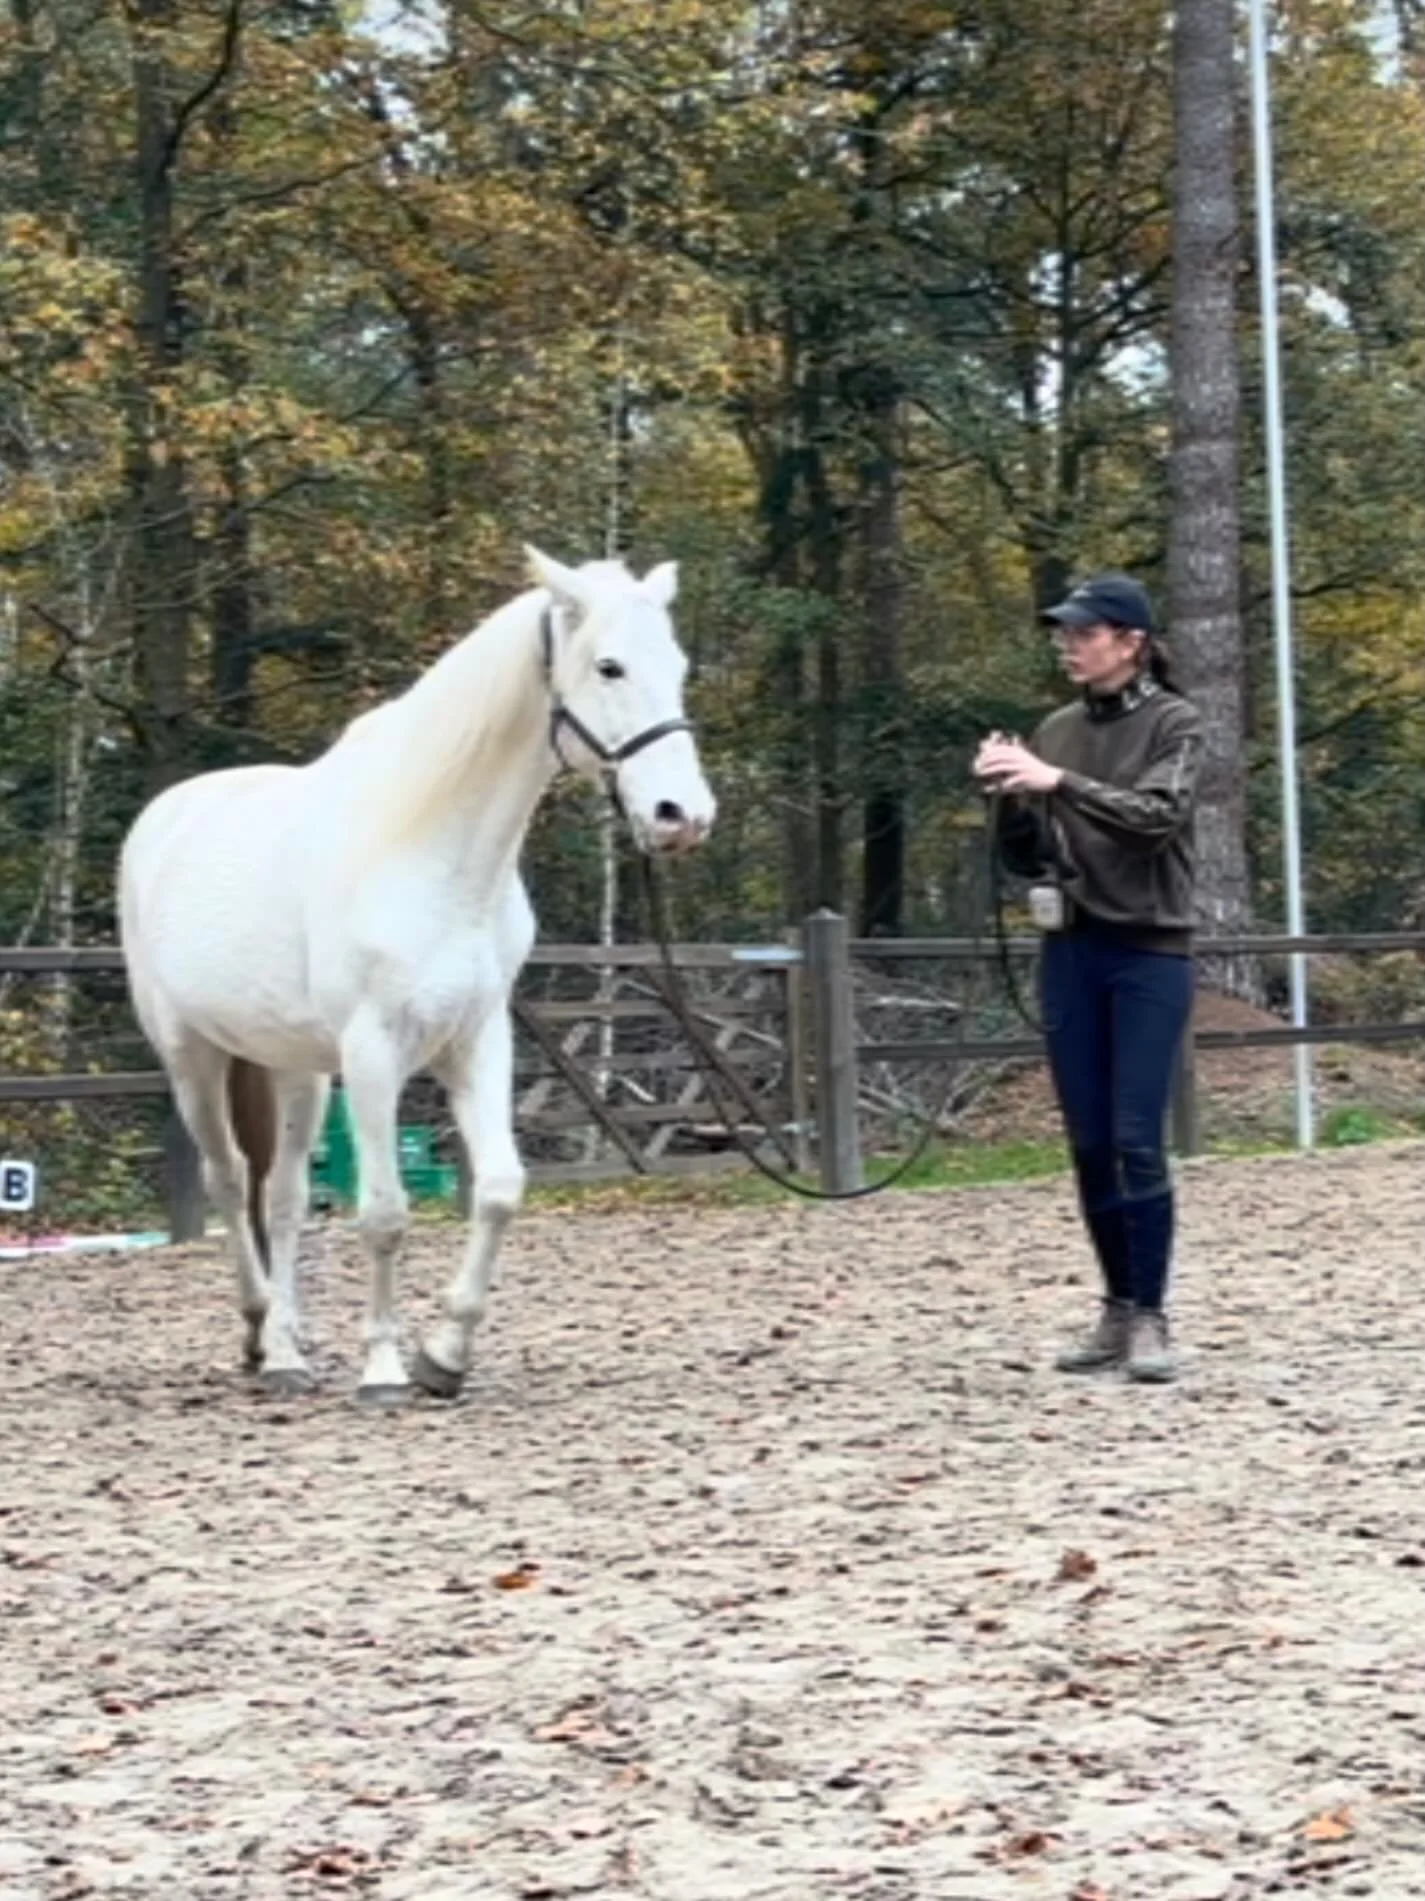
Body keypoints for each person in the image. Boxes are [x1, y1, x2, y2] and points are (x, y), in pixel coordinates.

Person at [972, 573, 1203, 1383]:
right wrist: (1009, 798)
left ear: (1130, 641)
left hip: (1147, 953)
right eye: (1062, 632)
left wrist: (1055, 781)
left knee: (1137, 1137)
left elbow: (1155, 819)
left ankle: (1151, 1315)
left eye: (1083, 631)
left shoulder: (1174, 721)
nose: (1067, 643)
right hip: (1069, 948)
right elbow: (1028, 855)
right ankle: (1113, 1307)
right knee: (1089, 1141)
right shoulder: (1057, 727)